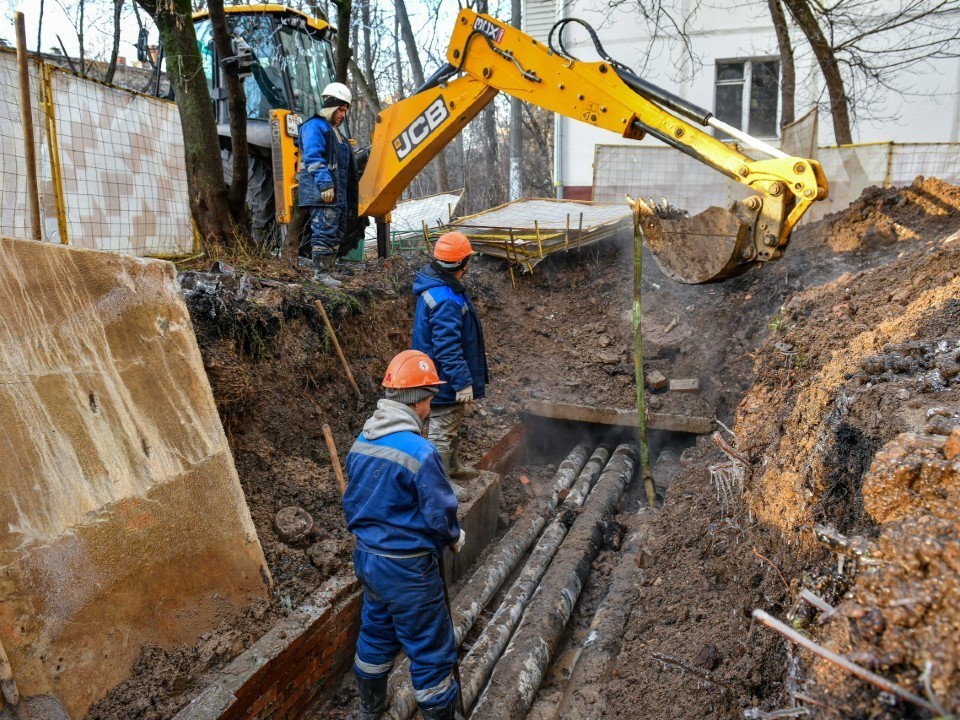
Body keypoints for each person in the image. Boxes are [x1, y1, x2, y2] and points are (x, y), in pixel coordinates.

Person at [343, 350, 467, 720]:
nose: (431, 406)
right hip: (409, 571)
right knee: (430, 650)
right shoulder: (421, 452)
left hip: (369, 561)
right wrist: (453, 537)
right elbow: (440, 511)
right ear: (421, 400)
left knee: (376, 635)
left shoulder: (361, 442)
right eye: (430, 398)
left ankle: (370, 710)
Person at [412, 231, 489, 492]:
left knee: (452, 423)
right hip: (443, 378)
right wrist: (462, 381)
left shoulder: (440, 286)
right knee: (442, 431)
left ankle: (452, 467)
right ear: (464, 263)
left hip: (439, 374)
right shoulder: (445, 298)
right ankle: (440, 484)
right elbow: (446, 347)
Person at [297, 81, 359, 288]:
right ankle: (321, 274)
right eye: (340, 109)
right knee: (324, 231)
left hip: (338, 194)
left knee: (335, 232)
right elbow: (313, 157)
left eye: (345, 110)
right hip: (323, 192)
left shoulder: (336, 132)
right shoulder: (315, 126)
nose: (343, 115)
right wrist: (325, 185)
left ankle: (328, 271)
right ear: (331, 106)